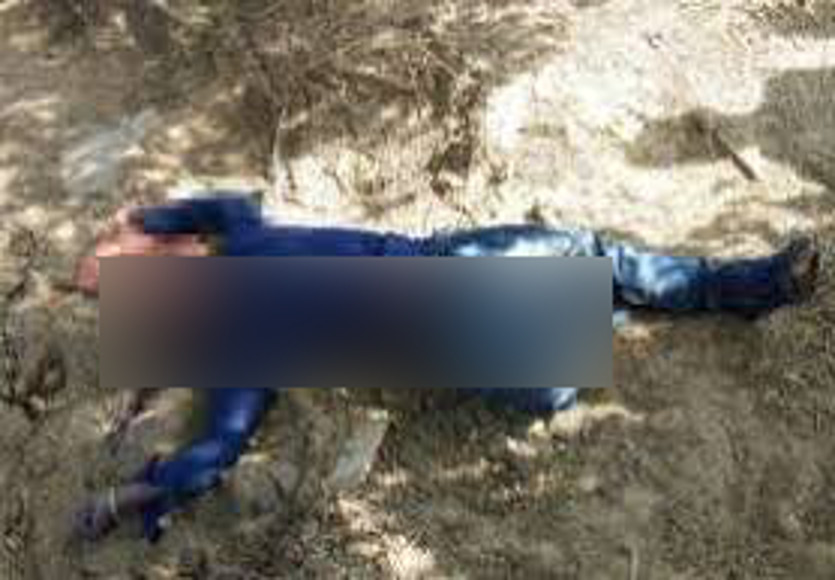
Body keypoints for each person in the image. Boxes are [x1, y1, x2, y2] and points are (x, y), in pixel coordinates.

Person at [72, 193, 819, 543]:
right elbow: (216, 448)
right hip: (450, 297)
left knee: (589, 289)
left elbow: (215, 451)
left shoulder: (235, 337)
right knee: (595, 260)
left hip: (476, 347)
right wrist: (151, 222)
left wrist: (129, 496)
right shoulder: (237, 300)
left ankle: (675, 300)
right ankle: (737, 287)